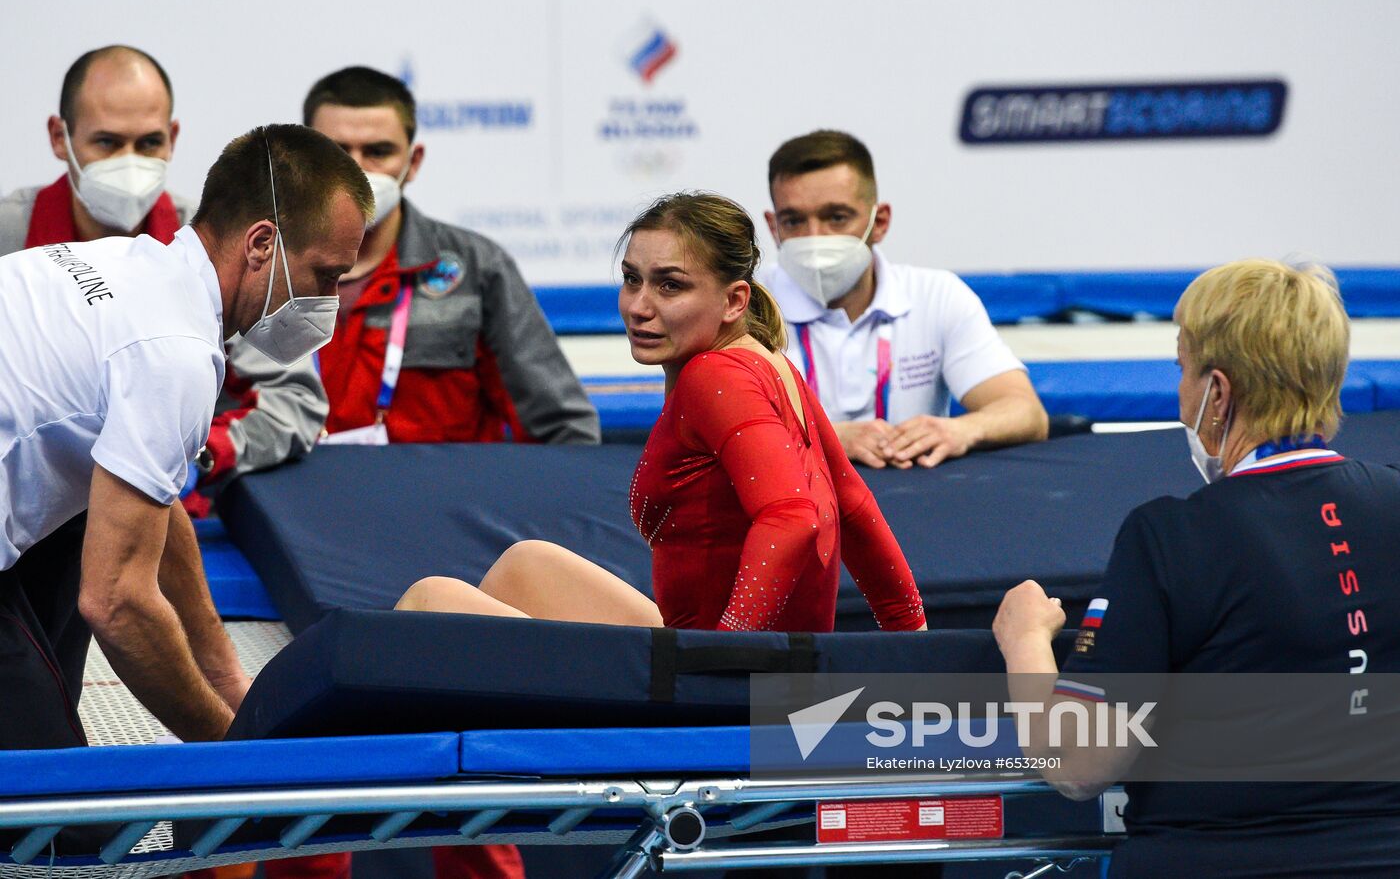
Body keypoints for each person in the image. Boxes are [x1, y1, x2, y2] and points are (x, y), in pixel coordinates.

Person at [993, 259, 1400, 876]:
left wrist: (1024, 642)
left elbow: (1075, 765)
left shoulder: (1171, 537)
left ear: (1219, 391)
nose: (1180, 391)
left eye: (1181, 369)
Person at [0, 124, 370, 759]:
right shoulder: (177, 353)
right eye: (326, 275)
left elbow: (153, 503)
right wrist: (234, 758)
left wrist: (225, 674)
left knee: (91, 509)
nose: (330, 304)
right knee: (56, 838)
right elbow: (116, 602)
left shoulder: (129, 264)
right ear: (262, 245)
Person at [397, 192, 927, 634]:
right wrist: (913, 638)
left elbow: (793, 517)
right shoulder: (771, 362)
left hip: (718, 681)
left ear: (735, 300)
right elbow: (853, 505)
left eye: (669, 285)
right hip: (737, 663)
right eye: (632, 279)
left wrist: (726, 654)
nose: (639, 306)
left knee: (430, 598)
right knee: (526, 564)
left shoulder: (713, 377)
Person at [0, 45, 329, 517]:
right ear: (60, 136)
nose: (129, 162)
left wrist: (196, 450)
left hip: (155, 508)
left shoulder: (217, 248)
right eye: (108, 143)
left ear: (173, 137)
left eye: (149, 143)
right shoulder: (10, 236)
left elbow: (294, 399)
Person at [304, 66, 598, 446]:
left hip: (443, 504)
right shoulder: (261, 267)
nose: (357, 169)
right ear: (305, 160)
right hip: (291, 503)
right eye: (336, 152)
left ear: (413, 161)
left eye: (379, 152)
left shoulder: (477, 267)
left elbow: (564, 430)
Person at [757, 130, 1047, 469]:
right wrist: (828, 438)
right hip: (795, 506)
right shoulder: (741, 307)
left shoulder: (936, 295)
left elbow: (1027, 413)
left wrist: (961, 430)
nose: (815, 237)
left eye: (836, 217)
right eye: (794, 221)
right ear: (773, 227)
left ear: (879, 222)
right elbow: (708, 434)